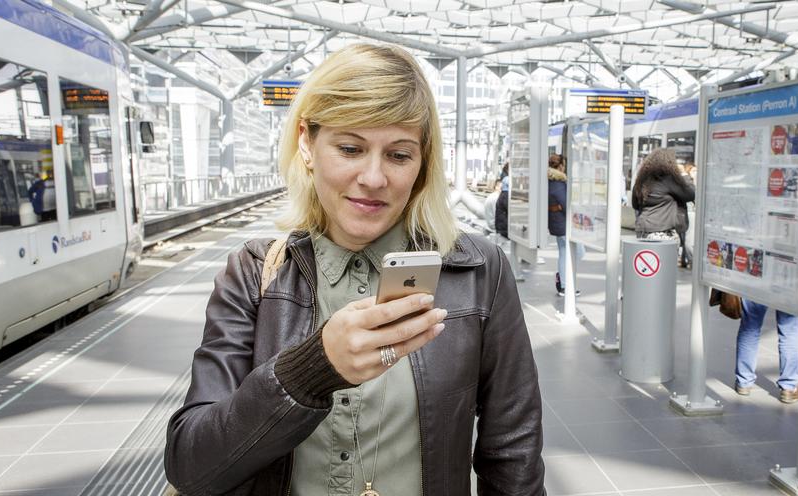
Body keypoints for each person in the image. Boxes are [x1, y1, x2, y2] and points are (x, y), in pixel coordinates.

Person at [164, 44, 545, 496]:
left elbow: (512, 452)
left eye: (399, 155)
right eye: (350, 147)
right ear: (307, 143)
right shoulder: (254, 274)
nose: (373, 178)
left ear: (422, 165)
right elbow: (190, 462)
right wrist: (311, 370)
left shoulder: (478, 272)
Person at [734, 299, 798, 403]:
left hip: (756, 283)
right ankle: (789, 387)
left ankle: (744, 382)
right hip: (788, 284)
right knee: (789, 330)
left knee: (750, 326)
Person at [631, 148, 695, 247]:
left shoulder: (641, 180)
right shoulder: (668, 180)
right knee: (665, 261)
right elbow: (691, 194)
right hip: (662, 231)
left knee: (648, 260)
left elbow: (635, 205)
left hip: (642, 229)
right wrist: (684, 174)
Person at [547, 153, 582, 296]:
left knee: (564, 252)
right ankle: (564, 283)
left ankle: (563, 280)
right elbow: (566, 204)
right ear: (561, 166)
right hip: (563, 223)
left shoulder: (550, 181)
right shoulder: (558, 183)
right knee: (577, 252)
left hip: (556, 222)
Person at [495, 164, 510, 240]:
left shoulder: (502, 195)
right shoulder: (506, 196)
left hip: (500, 227)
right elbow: (510, 210)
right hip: (504, 229)